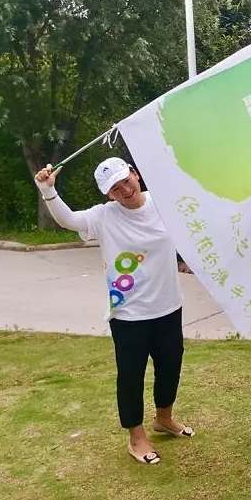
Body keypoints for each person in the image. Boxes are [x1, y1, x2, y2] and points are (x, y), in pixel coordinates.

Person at [33, 157, 193, 465]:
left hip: (169, 306)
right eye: (115, 188)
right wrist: (48, 190)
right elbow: (68, 220)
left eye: (126, 180)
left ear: (135, 174)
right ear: (109, 194)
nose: (125, 190)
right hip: (129, 314)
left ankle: (164, 418)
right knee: (131, 376)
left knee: (171, 366)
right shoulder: (104, 217)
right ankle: (136, 437)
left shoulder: (164, 202)